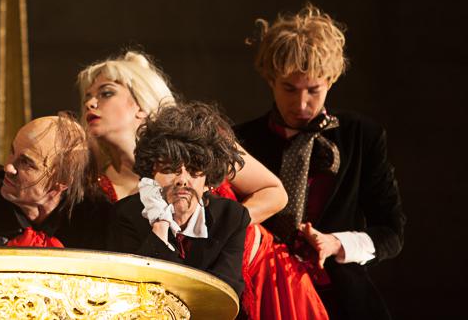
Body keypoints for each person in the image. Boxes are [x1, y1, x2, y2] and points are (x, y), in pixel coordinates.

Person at [81, 51, 329, 319]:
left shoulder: (201, 139)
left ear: (140, 103)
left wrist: (226, 230)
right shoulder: (100, 187)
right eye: (87, 96)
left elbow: (274, 193)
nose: (90, 103)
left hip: (265, 282)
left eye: (106, 93)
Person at [235, 4, 405, 319]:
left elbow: (391, 233)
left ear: (331, 79)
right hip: (261, 295)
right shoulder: (241, 141)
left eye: (314, 90)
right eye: (289, 88)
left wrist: (335, 243)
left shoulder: (361, 135)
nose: (301, 104)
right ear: (271, 79)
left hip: (340, 299)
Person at [106, 101, 249, 294]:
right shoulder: (125, 215)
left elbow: (227, 291)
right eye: (169, 169)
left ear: (208, 181)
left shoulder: (232, 216)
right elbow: (135, 287)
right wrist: (160, 227)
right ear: (151, 176)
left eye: (194, 170)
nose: (182, 180)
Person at [0, 113, 111, 249]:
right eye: (12, 151)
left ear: (63, 179)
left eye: (26, 162)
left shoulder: (96, 220)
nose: (7, 167)